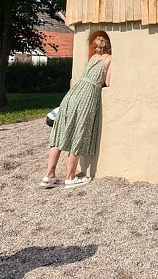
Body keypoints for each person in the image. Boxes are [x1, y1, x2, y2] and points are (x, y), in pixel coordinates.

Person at [39, 30, 113, 189]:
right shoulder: (109, 59)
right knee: (80, 133)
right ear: (109, 46)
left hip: (72, 94)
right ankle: (70, 177)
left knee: (59, 132)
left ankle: (49, 175)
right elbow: (107, 82)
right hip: (87, 97)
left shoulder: (92, 58)